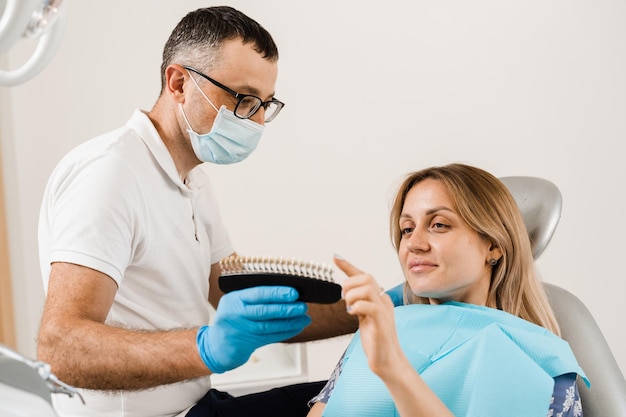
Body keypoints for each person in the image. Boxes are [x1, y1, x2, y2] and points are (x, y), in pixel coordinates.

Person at [36, 6, 356, 417]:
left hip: (196, 407)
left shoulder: (192, 180)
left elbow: (233, 296)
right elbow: (60, 348)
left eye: (265, 103)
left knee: (355, 392)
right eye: (242, 99)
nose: (257, 121)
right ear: (179, 82)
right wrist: (206, 347)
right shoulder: (110, 174)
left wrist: (383, 306)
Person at [307, 163, 588, 417]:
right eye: (407, 229)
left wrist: (394, 370)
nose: (414, 243)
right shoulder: (381, 330)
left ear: (493, 245)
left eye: (439, 225)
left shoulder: (541, 364)